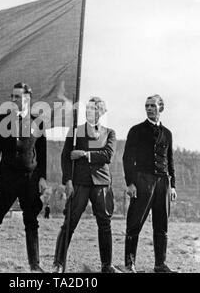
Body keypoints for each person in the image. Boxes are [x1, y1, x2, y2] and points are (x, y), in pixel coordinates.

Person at [0, 82, 47, 272]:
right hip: (6, 176)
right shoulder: (2, 120)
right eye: (12, 97)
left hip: (30, 179)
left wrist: (42, 177)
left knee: (31, 220)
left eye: (17, 97)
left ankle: (35, 265)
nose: (13, 100)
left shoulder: (38, 122)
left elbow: (42, 153)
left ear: (27, 98)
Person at [52, 97, 120, 273]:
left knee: (104, 223)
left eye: (94, 108)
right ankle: (58, 264)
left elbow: (107, 156)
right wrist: (67, 180)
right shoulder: (75, 131)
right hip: (79, 182)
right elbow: (65, 156)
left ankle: (107, 265)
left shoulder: (109, 133)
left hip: (102, 183)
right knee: (69, 222)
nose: (89, 111)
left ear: (101, 112)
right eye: (88, 108)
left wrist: (83, 154)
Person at [122, 94, 178, 273]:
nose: (149, 108)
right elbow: (127, 159)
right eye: (146, 106)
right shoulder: (136, 130)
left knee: (161, 225)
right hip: (142, 181)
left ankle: (160, 264)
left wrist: (173, 186)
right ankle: (130, 264)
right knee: (134, 223)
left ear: (161, 108)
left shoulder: (167, 133)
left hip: (163, 183)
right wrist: (130, 183)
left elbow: (170, 161)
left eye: (153, 106)